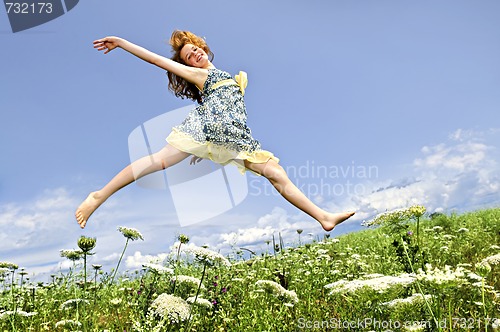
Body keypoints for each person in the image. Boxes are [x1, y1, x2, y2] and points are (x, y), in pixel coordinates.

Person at [75, 30, 355, 230]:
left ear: (204, 48)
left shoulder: (223, 76)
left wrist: (207, 149)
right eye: (188, 56)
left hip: (232, 138)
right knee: (159, 161)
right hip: (205, 129)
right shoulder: (202, 75)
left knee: (275, 173)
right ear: (187, 65)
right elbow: (156, 60)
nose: (194, 54)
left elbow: (226, 112)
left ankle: (323, 217)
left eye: (195, 48)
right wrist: (123, 43)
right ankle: (99, 196)